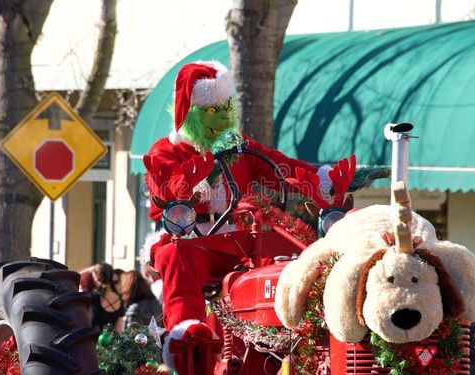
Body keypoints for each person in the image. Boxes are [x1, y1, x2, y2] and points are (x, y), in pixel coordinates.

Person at [143, 61, 332, 368]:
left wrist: (323, 179)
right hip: (192, 240)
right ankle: (189, 342)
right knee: (177, 257)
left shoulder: (239, 148)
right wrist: (197, 176)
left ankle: (282, 350)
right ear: (188, 112)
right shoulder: (166, 152)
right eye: (211, 109)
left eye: (225, 107)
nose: (222, 117)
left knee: (282, 261)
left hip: (238, 242)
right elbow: (167, 187)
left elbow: (279, 168)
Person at [88, 262, 124, 330]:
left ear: (96, 277)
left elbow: (87, 322)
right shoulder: (120, 299)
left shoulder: (92, 297)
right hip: (111, 340)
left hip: (93, 339)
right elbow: (119, 329)